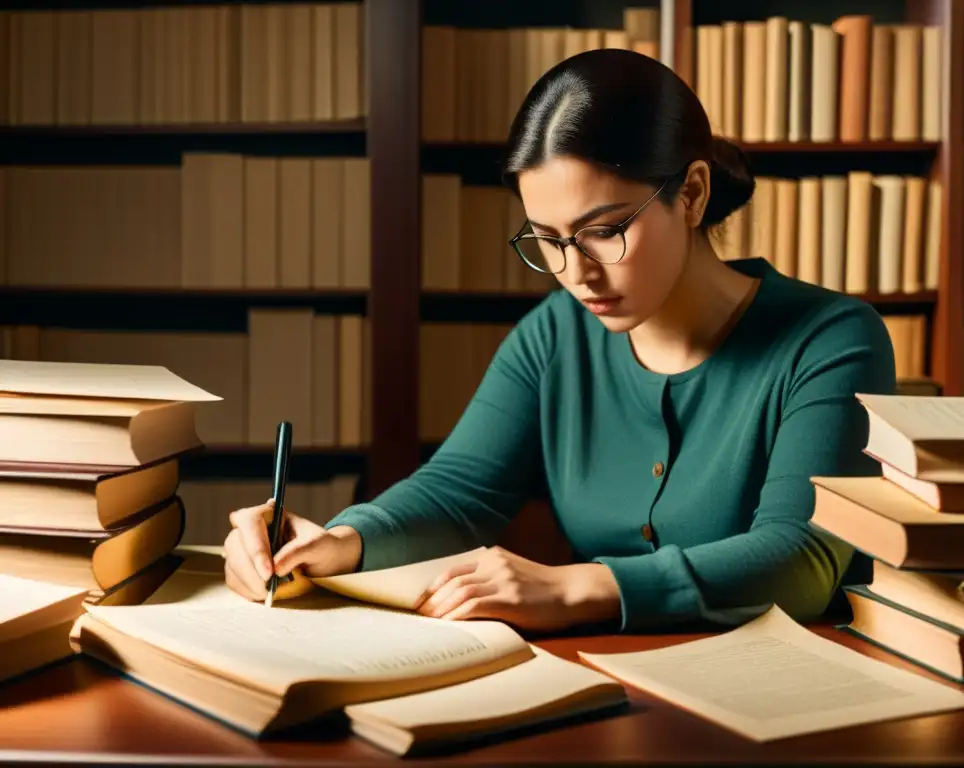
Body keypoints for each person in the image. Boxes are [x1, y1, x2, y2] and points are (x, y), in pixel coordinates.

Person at [223, 48, 896, 633]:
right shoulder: (553, 336)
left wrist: (573, 586)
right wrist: (339, 541)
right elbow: (459, 493)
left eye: (604, 230)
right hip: (607, 694)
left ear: (691, 194)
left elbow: (802, 560)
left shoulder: (832, 340)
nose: (575, 273)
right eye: (547, 240)